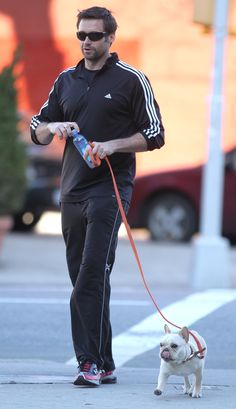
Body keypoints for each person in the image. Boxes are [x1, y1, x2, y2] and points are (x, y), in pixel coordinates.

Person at [30, 6, 165, 387]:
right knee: (86, 277)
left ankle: (87, 363)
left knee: (92, 270)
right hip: (71, 191)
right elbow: (36, 128)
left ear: (110, 38)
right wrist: (52, 126)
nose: (86, 42)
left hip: (110, 189)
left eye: (93, 36)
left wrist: (112, 146)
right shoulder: (66, 80)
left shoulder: (131, 80)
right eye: (81, 36)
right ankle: (104, 362)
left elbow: (155, 134)